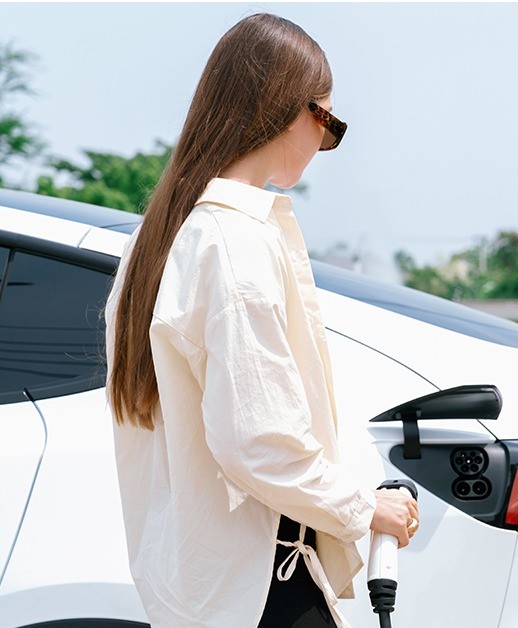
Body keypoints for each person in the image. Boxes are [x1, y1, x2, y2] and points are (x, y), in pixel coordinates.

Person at [101, 12, 418, 628]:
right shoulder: (233, 242)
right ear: (291, 112)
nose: (324, 145)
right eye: (330, 125)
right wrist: (363, 508)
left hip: (197, 585)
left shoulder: (158, 241)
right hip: (262, 589)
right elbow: (258, 441)